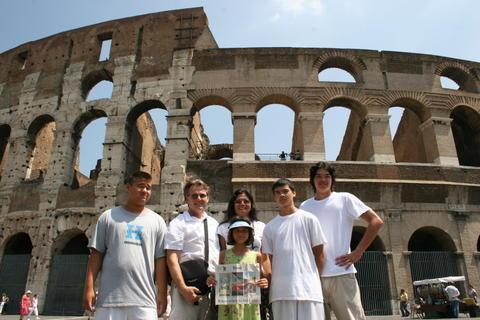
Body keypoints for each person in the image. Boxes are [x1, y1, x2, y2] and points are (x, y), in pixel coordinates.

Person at [300, 162, 384, 320]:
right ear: (312, 180)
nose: (323, 180)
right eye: (318, 176)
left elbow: (376, 221)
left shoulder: (345, 199)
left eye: (327, 176)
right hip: (314, 276)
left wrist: (359, 251)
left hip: (341, 272)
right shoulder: (305, 206)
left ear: (332, 180)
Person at [83, 171, 168, 320]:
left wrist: (162, 293)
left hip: (144, 300)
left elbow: (160, 260)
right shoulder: (108, 217)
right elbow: (96, 255)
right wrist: (88, 288)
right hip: (109, 300)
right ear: (128, 187)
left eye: (148, 188)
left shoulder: (158, 221)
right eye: (141, 186)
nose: (145, 191)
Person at [262, 178, 326, 320]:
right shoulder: (270, 227)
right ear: (274, 197)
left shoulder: (309, 219)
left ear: (294, 193)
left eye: (285, 191)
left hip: (309, 290)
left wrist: (315, 280)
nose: (282, 195)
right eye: (278, 193)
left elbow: (320, 254)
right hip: (280, 292)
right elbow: (267, 260)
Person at [165, 178, 220, 320]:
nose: (199, 199)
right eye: (194, 196)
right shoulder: (178, 223)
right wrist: (183, 289)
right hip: (188, 284)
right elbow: (172, 259)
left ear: (208, 198)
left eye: (203, 195)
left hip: (211, 286)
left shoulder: (214, 224)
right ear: (186, 198)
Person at [216, 189, 271, 319]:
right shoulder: (223, 248)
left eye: (246, 201)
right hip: (229, 301)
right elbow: (220, 273)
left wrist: (266, 280)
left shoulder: (262, 228)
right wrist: (214, 279)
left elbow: (265, 261)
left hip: (251, 299)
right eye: (238, 201)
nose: (240, 234)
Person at [207, 217, 270, 320]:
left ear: (250, 234)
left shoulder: (257, 256)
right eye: (237, 231)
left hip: (249, 304)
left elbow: (261, 279)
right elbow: (220, 277)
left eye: (244, 231)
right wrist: (212, 279)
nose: (241, 234)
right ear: (231, 233)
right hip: (228, 304)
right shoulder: (223, 255)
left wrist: (264, 282)